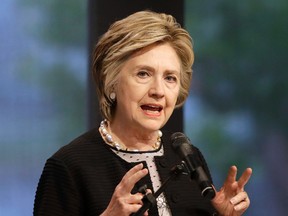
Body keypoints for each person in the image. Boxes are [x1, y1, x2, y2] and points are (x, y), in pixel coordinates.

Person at [33, 10, 252, 216]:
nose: (158, 91)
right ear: (112, 82)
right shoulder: (69, 166)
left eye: (170, 78)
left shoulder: (187, 156)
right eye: (143, 74)